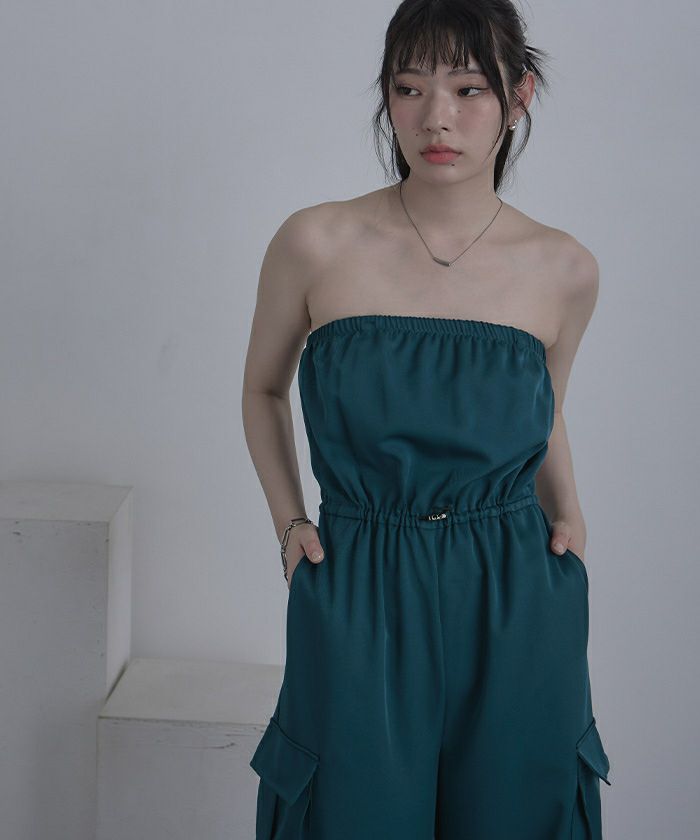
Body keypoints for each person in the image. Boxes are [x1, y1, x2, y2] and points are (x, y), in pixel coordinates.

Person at [242, 0, 612, 837]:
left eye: (468, 89)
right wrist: (290, 523)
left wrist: (569, 511)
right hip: (360, 572)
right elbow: (262, 390)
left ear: (519, 95)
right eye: (409, 88)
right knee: (347, 812)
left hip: (514, 586)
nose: (435, 117)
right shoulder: (316, 242)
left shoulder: (564, 268)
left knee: (520, 815)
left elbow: (544, 410)